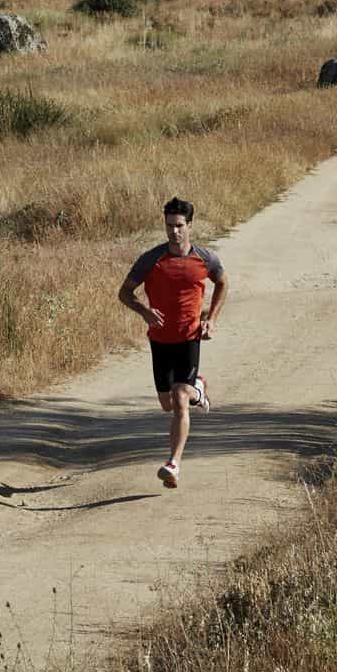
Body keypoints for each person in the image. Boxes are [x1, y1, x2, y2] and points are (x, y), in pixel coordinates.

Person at [118, 196, 227, 489]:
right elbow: (124, 292)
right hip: (159, 341)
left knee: (179, 399)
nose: (174, 232)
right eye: (169, 226)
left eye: (179, 226)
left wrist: (211, 319)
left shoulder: (204, 259)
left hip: (189, 339)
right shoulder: (151, 259)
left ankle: (173, 464)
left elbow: (222, 283)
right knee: (167, 404)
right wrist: (144, 311)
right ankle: (199, 390)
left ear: (190, 225)